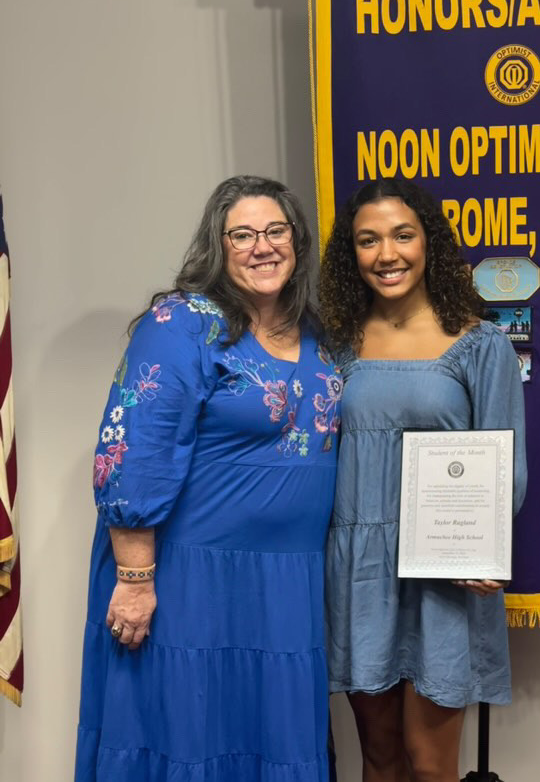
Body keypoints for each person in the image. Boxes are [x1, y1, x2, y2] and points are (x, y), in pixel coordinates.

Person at [75, 176, 342, 782]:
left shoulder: (317, 334)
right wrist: (137, 581)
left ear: (296, 243)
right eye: (241, 234)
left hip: (287, 583)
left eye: (275, 231)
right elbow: (131, 450)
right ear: (217, 247)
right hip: (191, 576)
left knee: (273, 735)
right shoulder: (182, 323)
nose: (262, 246)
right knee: (188, 734)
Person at [319, 178, 527, 782]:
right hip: (361, 570)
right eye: (368, 240)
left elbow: (505, 461)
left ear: (428, 241)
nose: (388, 253)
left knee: (431, 764)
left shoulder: (479, 343)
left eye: (403, 235)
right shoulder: (336, 346)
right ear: (350, 255)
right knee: (379, 760)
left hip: (445, 576)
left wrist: (484, 548)